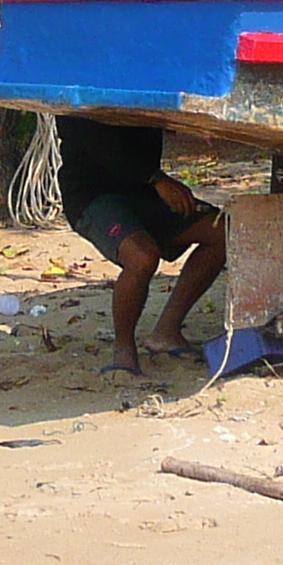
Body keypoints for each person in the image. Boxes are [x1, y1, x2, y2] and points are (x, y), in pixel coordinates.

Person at [56, 114, 227, 375]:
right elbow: (98, 145)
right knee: (142, 256)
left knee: (220, 230)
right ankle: (123, 351)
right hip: (93, 194)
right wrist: (157, 179)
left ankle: (166, 331)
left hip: (141, 191)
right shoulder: (81, 79)